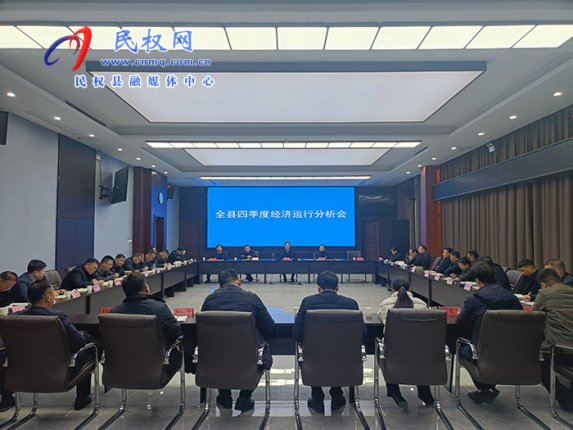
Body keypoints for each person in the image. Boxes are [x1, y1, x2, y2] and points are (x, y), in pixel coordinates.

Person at [14, 279, 97, 410]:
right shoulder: (58, 317)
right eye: (54, 293)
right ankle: (82, 398)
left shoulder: (16, 317)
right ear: (48, 298)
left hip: (24, 370)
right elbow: (78, 343)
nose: (55, 295)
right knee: (90, 348)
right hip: (60, 370)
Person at [201, 269, 275, 413]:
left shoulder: (210, 300)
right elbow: (270, 327)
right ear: (239, 282)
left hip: (217, 355)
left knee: (221, 353)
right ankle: (244, 397)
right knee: (260, 356)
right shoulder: (252, 298)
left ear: (219, 286)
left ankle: (224, 397)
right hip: (248, 355)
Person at [293, 271, 362, 414]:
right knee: (339, 352)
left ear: (318, 287)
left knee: (313, 352)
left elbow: (296, 334)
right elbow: (362, 333)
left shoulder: (308, 303)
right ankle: (337, 394)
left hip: (315, 356)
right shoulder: (351, 304)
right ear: (337, 287)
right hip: (344, 357)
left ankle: (317, 396)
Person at [455, 263, 522, 404]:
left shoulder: (474, 300)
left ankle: (485, 388)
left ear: (477, 280)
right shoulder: (512, 298)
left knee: (460, 346)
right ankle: (488, 387)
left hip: (482, 352)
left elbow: (460, 323)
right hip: (512, 351)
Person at [376, 277, 434, 408]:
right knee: (417, 351)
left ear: (392, 290)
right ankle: (424, 391)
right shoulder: (422, 305)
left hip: (393, 352)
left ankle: (394, 391)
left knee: (380, 350)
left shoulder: (385, 304)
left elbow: (380, 317)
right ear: (410, 289)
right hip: (420, 352)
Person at [110, 272, 182, 374]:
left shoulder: (114, 313)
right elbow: (176, 332)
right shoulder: (159, 308)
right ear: (146, 288)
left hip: (122, 367)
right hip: (157, 365)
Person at [533, 268, 573, 411]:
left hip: (560, 349)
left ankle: (566, 401)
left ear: (543, 284)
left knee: (537, 362)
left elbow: (534, 317)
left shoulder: (545, 294)